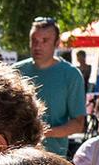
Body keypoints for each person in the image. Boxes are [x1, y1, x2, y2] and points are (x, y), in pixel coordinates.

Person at [14, 18, 87, 156]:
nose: (37, 46)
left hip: (53, 158)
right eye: (34, 40)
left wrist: (41, 132)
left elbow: (78, 123)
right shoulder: (15, 71)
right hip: (17, 156)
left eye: (45, 40)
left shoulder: (71, 75)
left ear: (57, 43)